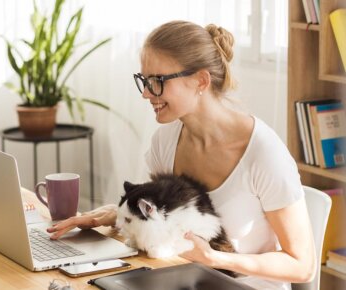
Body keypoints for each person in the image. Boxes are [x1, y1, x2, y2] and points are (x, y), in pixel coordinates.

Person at [47, 20, 315, 290]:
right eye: (144, 80)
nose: (146, 93)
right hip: (182, 279)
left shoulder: (263, 154)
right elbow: (156, 217)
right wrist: (105, 216)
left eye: (157, 81)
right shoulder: (166, 140)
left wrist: (214, 258)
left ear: (200, 80)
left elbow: (303, 266)